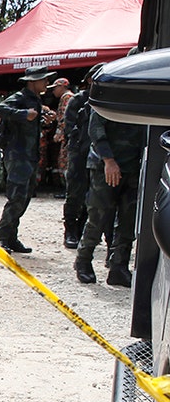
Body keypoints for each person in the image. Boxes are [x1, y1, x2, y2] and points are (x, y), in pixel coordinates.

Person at [73, 106, 146, 286]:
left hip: (134, 167)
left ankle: (119, 266)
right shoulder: (112, 93)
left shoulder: (146, 96)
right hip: (105, 165)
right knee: (99, 216)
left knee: (129, 220)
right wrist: (108, 160)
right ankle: (83, 260)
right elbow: (96, 129)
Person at [0, 66, 57, 254]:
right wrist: (24, 114)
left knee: (25, 198)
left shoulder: (35, 100)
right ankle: (2, 238)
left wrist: (42, 119)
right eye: (43, 80)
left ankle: (11, 237)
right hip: (17, 155)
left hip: (30, 156)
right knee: (16, 198)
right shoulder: (20, 98)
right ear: (32, 81)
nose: (46, 83)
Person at [62, 66, 103, 249]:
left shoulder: (103, 101)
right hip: (79, 154)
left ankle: (82, 229)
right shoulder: (79, 100)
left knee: (92, 195)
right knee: (74, 194)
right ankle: (70, 230)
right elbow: (69, 128)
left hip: (96, 155)